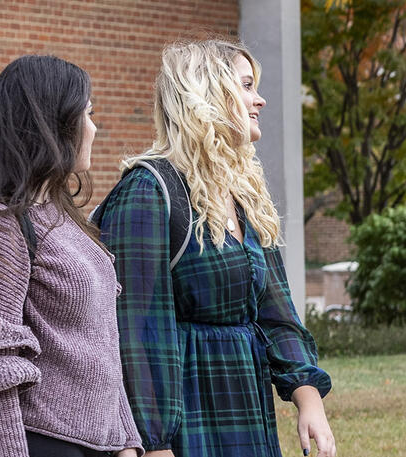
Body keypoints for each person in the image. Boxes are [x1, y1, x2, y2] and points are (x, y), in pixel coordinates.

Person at [96, 39, 335, 457]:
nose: (259, 99)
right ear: (205, 93)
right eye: (246, 85)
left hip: (244, 408)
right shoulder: (149, 191)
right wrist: (155, 444)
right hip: (187, 417)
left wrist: (307, 395)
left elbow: (276, 313)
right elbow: (136, 333)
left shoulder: (243, 195)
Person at [0, 55, 142, 457]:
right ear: (51, 123)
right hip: (31, 442)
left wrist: (126, 442)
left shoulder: (62, 219)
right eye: (87, 114)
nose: (94, 128)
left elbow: (101, 345)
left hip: (90, 444)